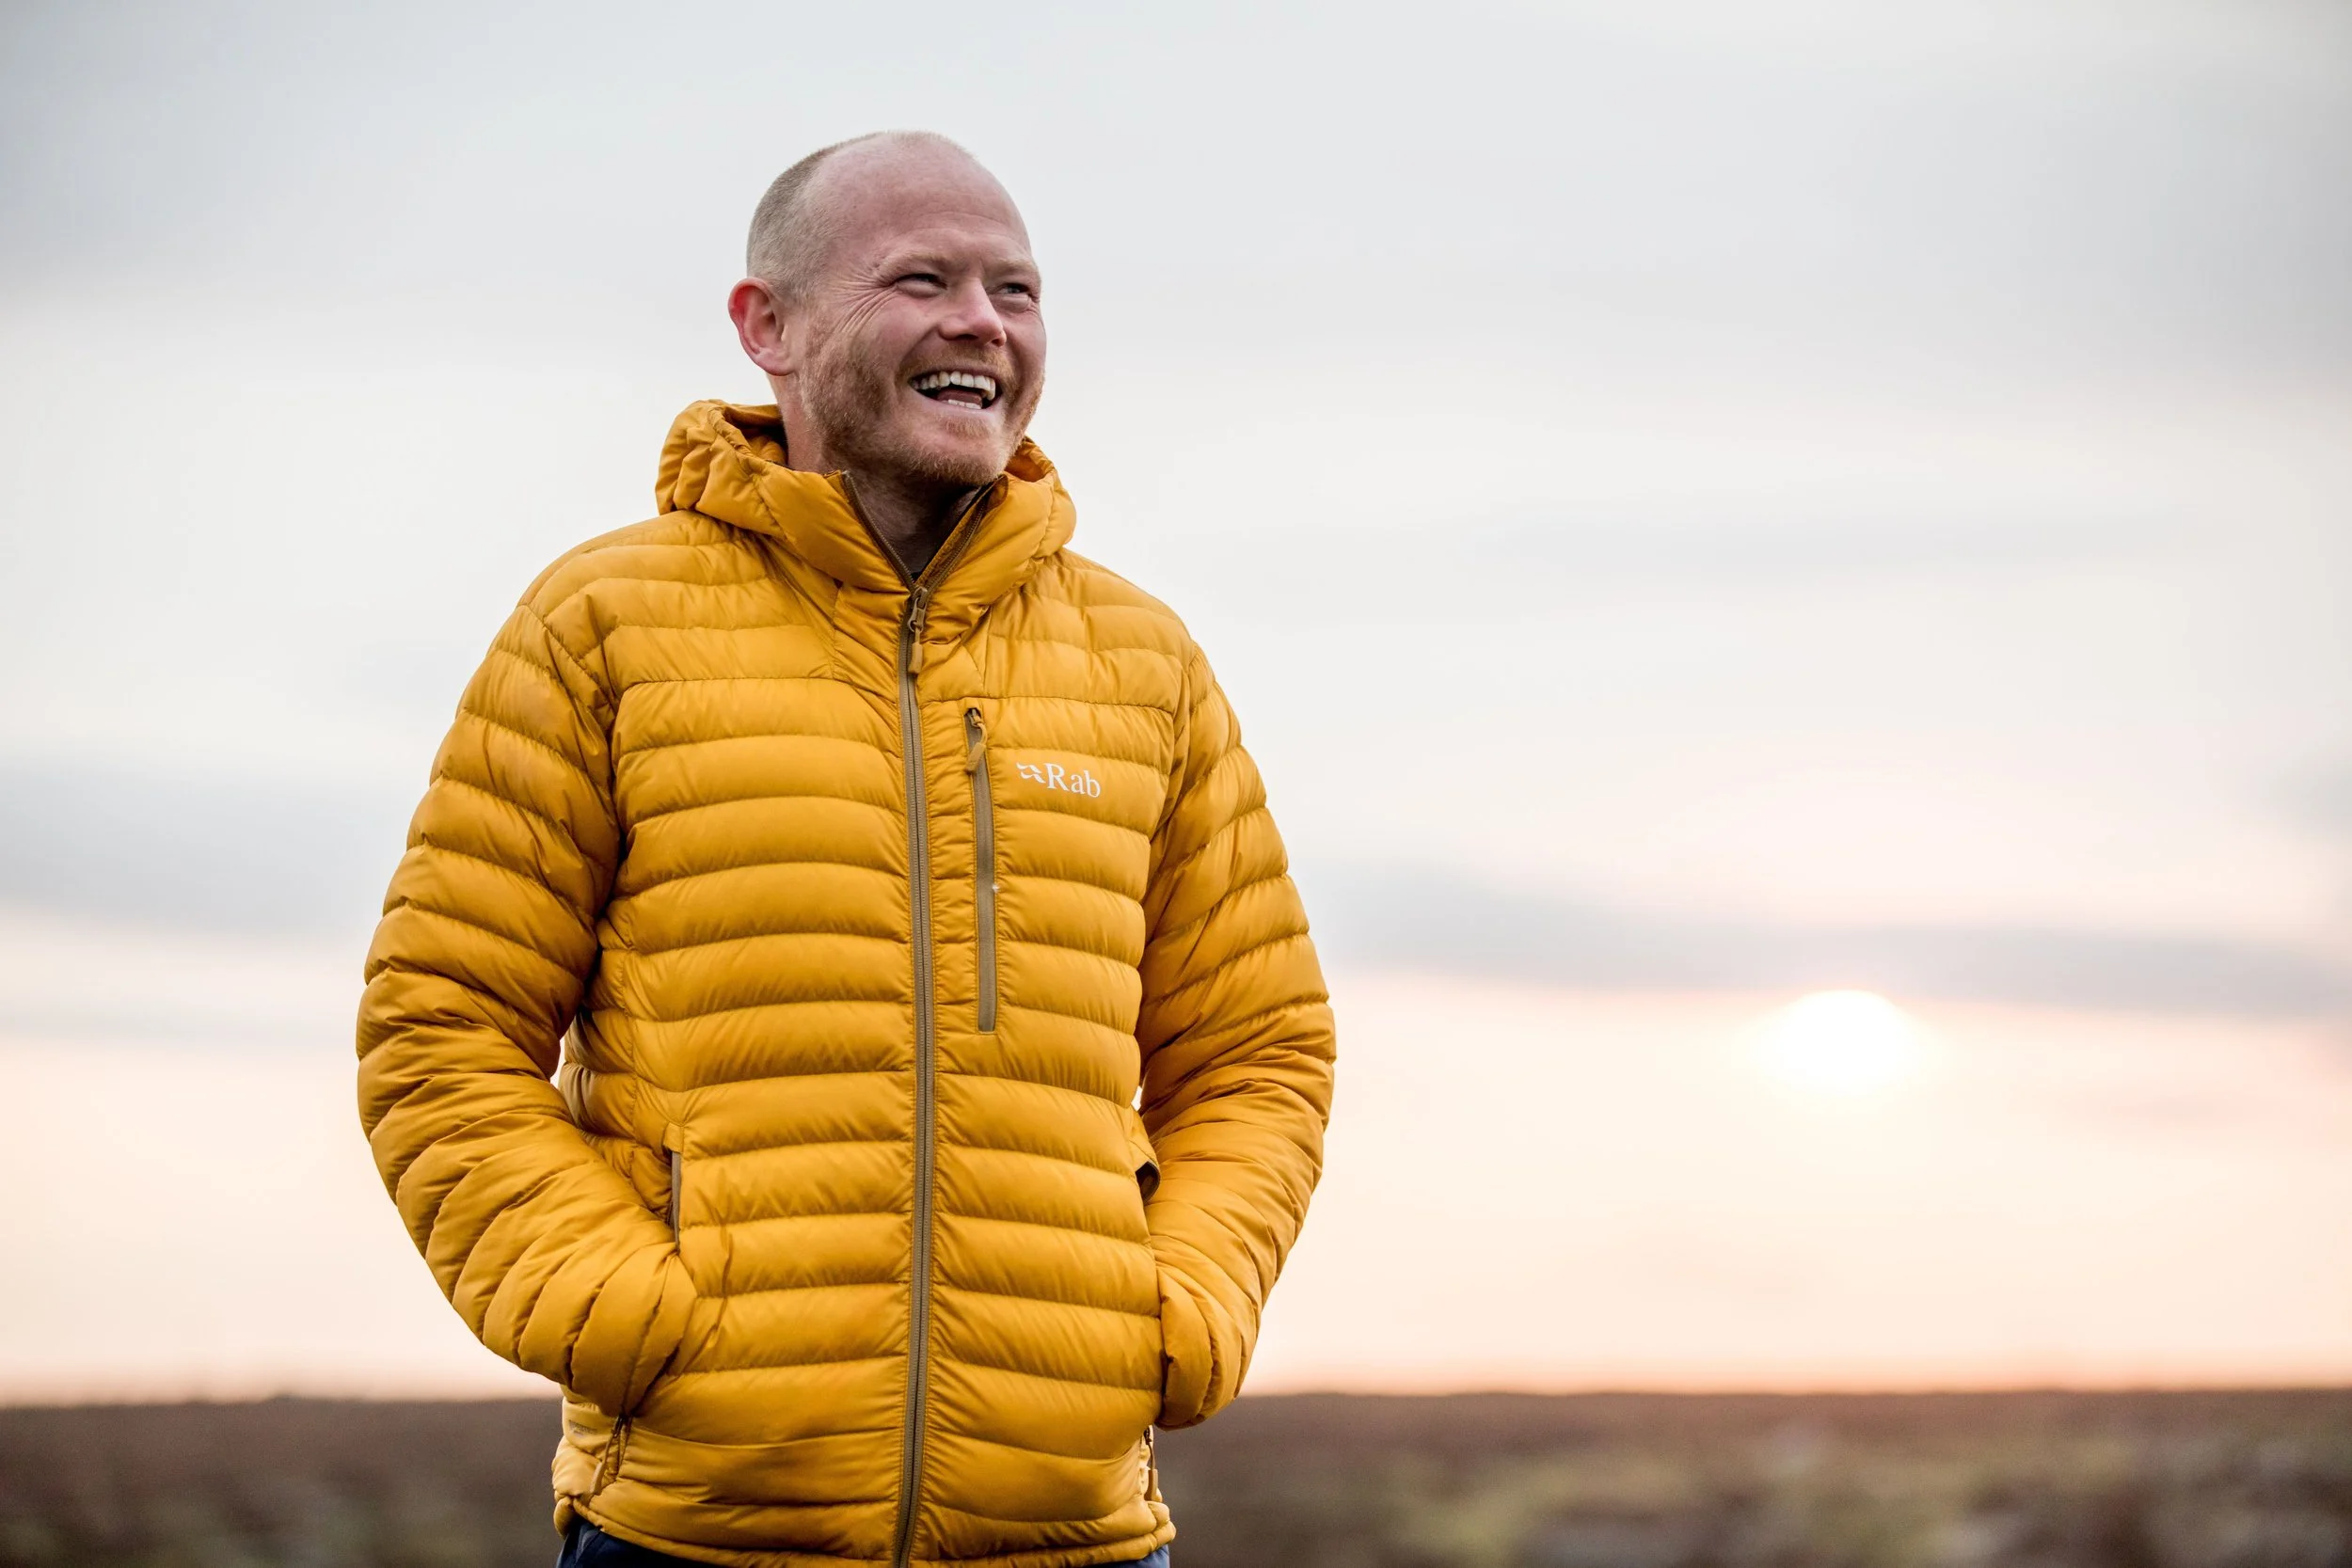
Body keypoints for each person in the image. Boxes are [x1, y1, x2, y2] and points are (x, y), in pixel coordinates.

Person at [354, 130, 1336, 1568]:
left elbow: (1259, 1049)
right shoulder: (602, 624)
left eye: (1016, 290)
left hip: (1075, 1537)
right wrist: (630, 1317)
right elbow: (438, 1027)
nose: (981, 324)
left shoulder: (1143, 661)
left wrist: (1175, 1310)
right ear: (772, 328)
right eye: (921, 278)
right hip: (696, 1535)